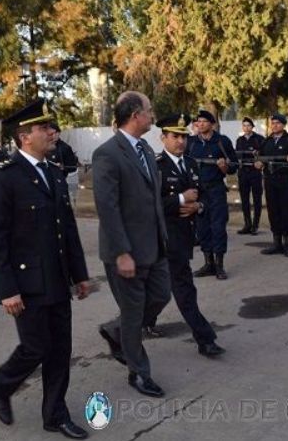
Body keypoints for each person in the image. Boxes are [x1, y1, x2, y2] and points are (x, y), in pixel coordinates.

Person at [0, 99, 90, 439]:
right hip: (26, 282)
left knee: (60, 350)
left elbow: (66, 230)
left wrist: (80, 274)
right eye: (45, 128)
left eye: (51, 127)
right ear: (25, 137)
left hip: (57, 278)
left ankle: (55, 415)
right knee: (36, 347)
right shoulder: (4, 177)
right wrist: (5, 289)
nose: (52, 133)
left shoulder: (54, 173)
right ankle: (0, 384)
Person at [94, 91, 171, 398]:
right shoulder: (107, 154)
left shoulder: (146, 150)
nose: (153, 115)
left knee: (161, 296)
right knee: (133, 309)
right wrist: (122, 252)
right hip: (125, 252)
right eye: (149, 110)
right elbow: (107, 207)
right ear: (135, 115)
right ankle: (138, 373)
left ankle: (116, 331)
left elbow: (152, 200)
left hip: (154, 247)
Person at [151, 113, 226, 358]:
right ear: (163, 138)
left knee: (160, 290)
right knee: (183, 290)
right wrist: (181, 199)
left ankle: (131, 325)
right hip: (164, 238)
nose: (181, 141)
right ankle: (205, 339)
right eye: (175, 136)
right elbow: (150, 204)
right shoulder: (156, 166)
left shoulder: (191, 163)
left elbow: (202, 195)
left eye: (183, 136)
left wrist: (198, 206)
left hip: (184, 237)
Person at [186, 110, 238, 279]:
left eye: (204, 121)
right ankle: (208, 263)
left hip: (216, 190)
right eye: (198, 121)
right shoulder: (192, 142)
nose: (200, 124)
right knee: (202, 228)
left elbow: (234, 165)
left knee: (218, 227)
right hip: (198, 191)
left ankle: (219, 265)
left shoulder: (222, 141)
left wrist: (225, 167)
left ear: (212, 124)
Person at [255, 114, 288, 256]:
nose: (275, 125)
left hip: (285, 181)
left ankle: (286, 244)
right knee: (273, 211)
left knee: (286, 211)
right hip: (270, 180)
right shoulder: (266, 142)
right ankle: (276, 243)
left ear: (284, 125)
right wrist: (258, 163)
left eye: (278, 123)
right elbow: (259, 158)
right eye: (273, 123)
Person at [235, 117, 264, 235]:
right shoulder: (239, 140)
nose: (246, 127)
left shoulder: (259, 139)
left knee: (257, 199)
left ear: (252, 127)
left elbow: (263, 154)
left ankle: (255, 225)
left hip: (255, 172)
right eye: (244, 125)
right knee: (244, 199)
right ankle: (247, 224)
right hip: (243, 172)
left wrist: (258, 156)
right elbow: (237, 155)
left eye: (248, 125)